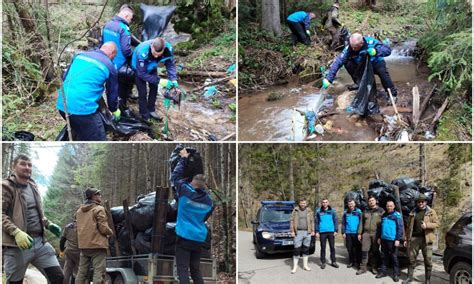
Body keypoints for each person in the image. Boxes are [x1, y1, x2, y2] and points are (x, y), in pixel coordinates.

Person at [2, 154, 64, 283]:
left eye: (29, 165)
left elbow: (36, 212)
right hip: (16, 246)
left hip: (40, 243)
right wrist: (16, 232)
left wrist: (48, 224)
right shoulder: (5, 186)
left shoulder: (33, 186)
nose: (27, 167)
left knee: (58, 278)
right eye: (23, 164)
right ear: (13, 167)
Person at [57, 42, 120, 141]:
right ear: (112, 54)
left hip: (62, 105)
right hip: (83, 110)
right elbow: (112, 93)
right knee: (98, 139)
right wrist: (114, 109)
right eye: (114, 57)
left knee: (80, 129)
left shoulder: (79, 56)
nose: (113, 59)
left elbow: (64, 77)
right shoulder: (109, 66)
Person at [171, 148, 214, 284]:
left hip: (184, 236)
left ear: (193, 182)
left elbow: (176, 177)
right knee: (195, 270)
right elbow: (206, 216)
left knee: (183, 270)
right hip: (198, 238)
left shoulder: (185, 192)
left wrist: (183, 158)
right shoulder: (209, 201)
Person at [322, 32, 398, 103]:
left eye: (355, 47)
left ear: (361, 43)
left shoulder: (371, 42)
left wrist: (376, 51)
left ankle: (392, 94)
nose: (354, 49)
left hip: (376, 63)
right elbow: (338, 61)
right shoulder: (349, 48)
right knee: (347, 63)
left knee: (383, 73)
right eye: (352, 47)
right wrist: (329, 78)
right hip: (362, 66)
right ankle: (359, 84)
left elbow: (387, 50)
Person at [131, 37, 178, 121]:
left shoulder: (169, 49)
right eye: (154, 53)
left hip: (152, 65)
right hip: (139, 69)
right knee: (143, 92)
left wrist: (173, 79)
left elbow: (170, 64)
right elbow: (142, 74)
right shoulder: (142, 51)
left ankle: (151, 110)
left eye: (159, 54)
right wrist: (160, 80)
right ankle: (144, 114)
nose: (156, 55)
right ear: (151, 46)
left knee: (154, 87)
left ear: (164, 49)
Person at [75, 188, 113, 284]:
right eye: (98, 194)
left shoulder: (79, 211)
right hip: (97, 246)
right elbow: (103, 228)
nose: (100, 196)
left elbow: (77, 228)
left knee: (81, 272)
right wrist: (111, 232)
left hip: (84, 246)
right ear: (94, 196)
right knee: (99, 272)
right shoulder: (99, 209)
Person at [101, 4, 136, 111]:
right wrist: (133, 54)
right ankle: (121, 108)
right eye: (130, 18)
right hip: (120, 63)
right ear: (126, 16)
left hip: (107, 61)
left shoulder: (107, 24)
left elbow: (102, 43)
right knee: (121, 87)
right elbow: (126, 50)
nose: (130, 21)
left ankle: (110, 106)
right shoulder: (123, 28)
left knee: (109, 85)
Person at [403, 194, 439, 284]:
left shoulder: (431, 212)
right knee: (411, 259)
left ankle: (427, 280)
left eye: (422, 201)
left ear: (425, 202)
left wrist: (427, 225)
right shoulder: (413, 212)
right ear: (417, 203)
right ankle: (409, 278)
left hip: (426, 240)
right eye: (419, 202)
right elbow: (409, 227)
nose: (420, 203)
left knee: (428, 261)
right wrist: (406, 239)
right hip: (414, 239)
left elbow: (437, 224)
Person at [376, 200, 404, 282]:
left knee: (394, 257)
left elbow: (400, 228)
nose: (389, 207)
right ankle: (383, 272)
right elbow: (381, 228)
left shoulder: (397, 215)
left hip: (392, 240)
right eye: (388, 206)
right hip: (384, 239)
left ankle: (396, 273)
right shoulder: (384, 215)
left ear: (394, 206)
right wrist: (379, 237)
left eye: (391, 206)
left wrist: (397, 239)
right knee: (384, 256)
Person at [357, 195, 385, 275]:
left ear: (376, 201)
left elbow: (383, 224)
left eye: (372, 200)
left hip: (376, 233)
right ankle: (363, 268)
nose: (371, 202)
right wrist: (359, 233)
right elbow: (361, 223)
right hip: (366, 233)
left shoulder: (381, 210)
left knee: (375, 251)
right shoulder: (365, 211)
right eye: (369, 201)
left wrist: (380, 236)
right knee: (364, 250)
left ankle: (374, 267)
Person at [289, 198, 315, 273]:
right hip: (298, 233)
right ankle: (294, 267)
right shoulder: (295, 210)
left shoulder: (309, 210)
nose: (303, 204)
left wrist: (313, 230)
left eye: (304, 203)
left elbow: (312, 221)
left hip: (307, 232)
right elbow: (291, 221)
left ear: (306, 204)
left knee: (306, 249)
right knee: (297, 250)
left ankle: (305, 266)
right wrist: (292, 231)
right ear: (299, 203)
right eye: (301, 203)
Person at [315, 198, 339, 269]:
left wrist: (336, 230)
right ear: (322, 203)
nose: (324, 203)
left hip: (331, 231)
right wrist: (317, 231)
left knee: (332, 247)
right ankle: (323, 262)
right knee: (323, 248)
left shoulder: (332, 211)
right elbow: (316, 222)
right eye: (323, 202)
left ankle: (333, 261)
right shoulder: (318, 211)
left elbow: (336, 221)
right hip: (322, 232)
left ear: (328, 203)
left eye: (326, 202)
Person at [342, 199, 362, 270]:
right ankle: (351, 262)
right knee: (349, 248)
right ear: (348, 205)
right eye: (349, 204)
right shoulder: (345, 212)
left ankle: (358, 263)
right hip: (348, 233)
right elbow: (343, 223)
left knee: (357, 249)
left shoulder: (358, 211)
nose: (350, 205)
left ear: (355, 204)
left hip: (356, 233)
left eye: (352, 203)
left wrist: (360, 233)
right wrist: (343, 232)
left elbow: (361, 223)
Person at [60, 220, 80, 284]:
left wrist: (62, 250)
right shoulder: (82, 226)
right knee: (79, 272)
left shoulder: (68, 227)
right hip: (79, 253)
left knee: (66, 271)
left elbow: (62, 240)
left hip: (69, 251)